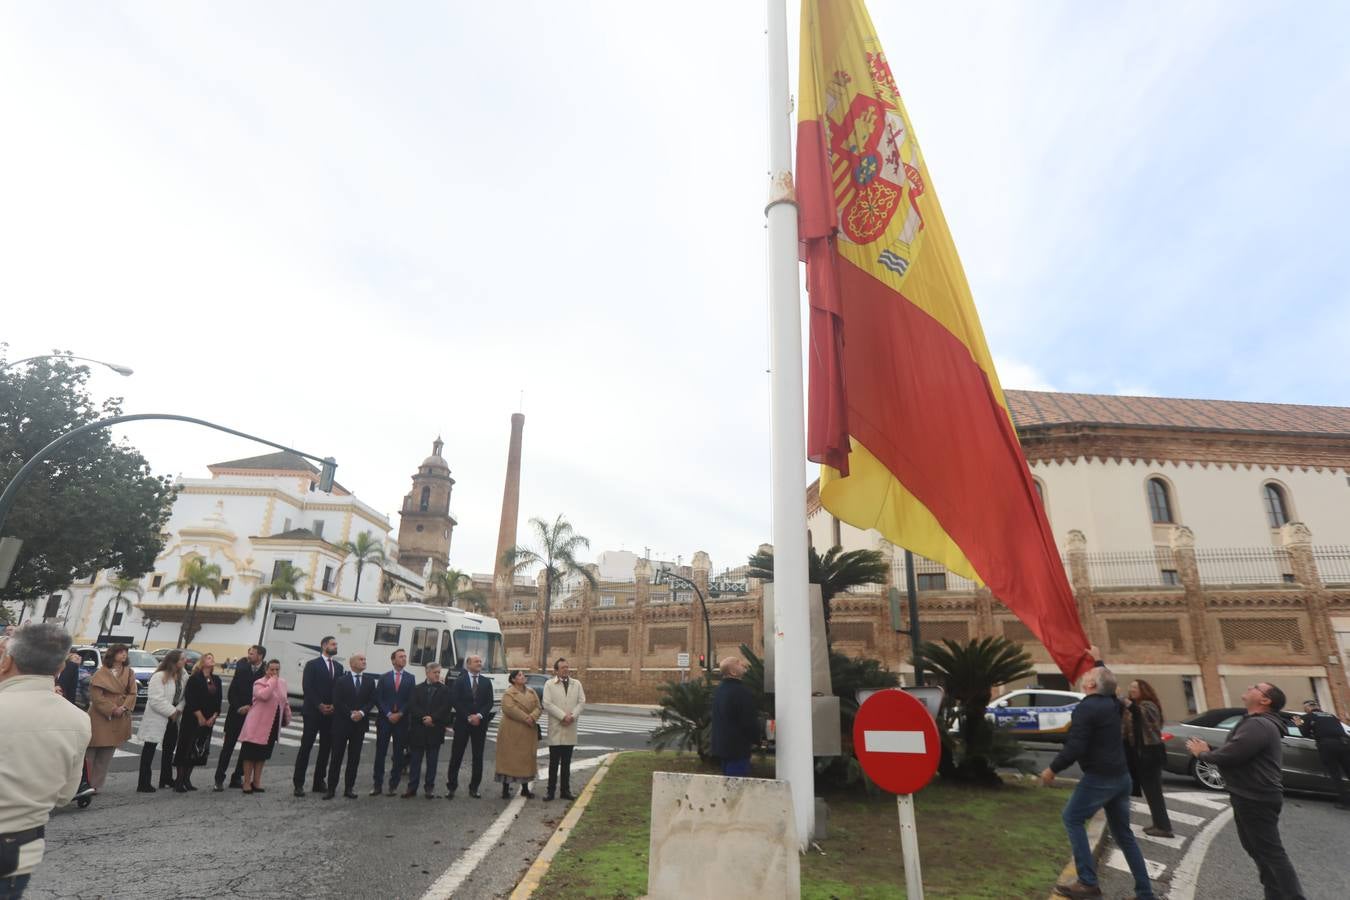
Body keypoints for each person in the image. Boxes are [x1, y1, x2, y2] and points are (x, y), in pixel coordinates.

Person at [1040, 662, 1156, 900]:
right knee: (1124, 835)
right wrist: (1098, 663)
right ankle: (1145, 893)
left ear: (1091, 684)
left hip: (1100, 778)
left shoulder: (1087, 708)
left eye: (1089, 675)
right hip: (1121, 777)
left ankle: (1087, 883)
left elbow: (1075, 745)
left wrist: (1053, 768)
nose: (1084, 676)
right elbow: (1110, 687)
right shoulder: (1113, 704)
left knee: (1071, 817)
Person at [1187, 683, 1306, 899]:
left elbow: (1231, 755)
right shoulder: (1256, 723)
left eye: (1256, 687)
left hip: (1256, 797)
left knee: (1270, 853)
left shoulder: (1259, 725)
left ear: (1265, 700)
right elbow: (1237, 752)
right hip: (1250, 795)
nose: (1249, 688)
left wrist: (1202, 754)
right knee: (1259, 851)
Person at [0, 624, 90, 899]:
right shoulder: (77, 719)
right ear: (60, 667)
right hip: (24, 841)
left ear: (7, 660)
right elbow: (64, 795)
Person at [293, 636, 343, 798]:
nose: (335, 646)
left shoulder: (339, 666)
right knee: (306, 746)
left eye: (336, 644)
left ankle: (319, 781)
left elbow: (339, 689)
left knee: (326, 748)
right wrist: (320, 705)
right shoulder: (312, 665)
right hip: (313, 712)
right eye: (333, 644)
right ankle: (298, 783)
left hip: (331, 714)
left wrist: (334, 705)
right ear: (323, 646)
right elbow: (307, 687)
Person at [1122, 679, 1172, 837]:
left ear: (1144, 690)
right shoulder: (1134, 707)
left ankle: (1164, 827)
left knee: (1154, 791)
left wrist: (1125, 702)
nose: (1131, 690)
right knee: (1151, 791)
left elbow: (1140, 714)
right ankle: (1159, 823)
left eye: (1135, 687)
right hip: (1141, 754)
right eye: (1130, 687)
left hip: (1151, 753)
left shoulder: (1149, 706)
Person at [84, 643, 137, 793]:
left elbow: (133, 693)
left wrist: (124, 707)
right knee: (91, 751)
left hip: (120, 715)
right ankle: (84, 783)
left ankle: (96, 785)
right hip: (100, 715)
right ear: (112, 654)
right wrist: (112, 709)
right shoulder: (101, 672)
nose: (124, 655)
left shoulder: (129, 672)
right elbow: (96, 696)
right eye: (120, 652)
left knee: (106, 754)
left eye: (125, 652)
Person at [324, 653, 377, 800]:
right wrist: (350, 713)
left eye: (365, 659)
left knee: (354, 758)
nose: (364, 661)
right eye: (361, 659)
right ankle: (331, 788)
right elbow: (337, 700)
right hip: (342, 724)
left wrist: (361, 712)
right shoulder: (342, 680)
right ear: (352, 663)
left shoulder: (369, 681)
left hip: (359, 725)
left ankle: (349, 788)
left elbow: (372, 700)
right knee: (336, 757)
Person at [215, 644, 265, 791]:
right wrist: (239, 707)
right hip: (236, 714)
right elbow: (232, 692)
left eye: (252, 653)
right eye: (249, 653)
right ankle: (219, 778)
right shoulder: (241, 668)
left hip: (253, 716)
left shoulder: (265, 672)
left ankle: (237, 776)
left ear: (260, 656)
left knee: (246, 750)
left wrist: (251, 707)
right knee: (227, 748)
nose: (249, 655)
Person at [137, 650, 186, 793]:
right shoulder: (159, 676)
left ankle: (166, 777)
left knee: (169, 749)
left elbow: (184, 696)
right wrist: (171, 712)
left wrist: (178, 710)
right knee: (150, 748)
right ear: (174, 661)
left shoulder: (183, 677)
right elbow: (155, 699)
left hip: (174, 717)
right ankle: (143, 782)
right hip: (158, 717)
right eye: (182, 659)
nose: (185, 661)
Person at [446, 653, 494, 799]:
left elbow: (489, 702)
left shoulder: (486, 682)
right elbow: (455, 700)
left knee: (478, 756)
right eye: (476, 661)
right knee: (456, 755)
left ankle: (474, 788)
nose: (479, 663)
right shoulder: (459, 681)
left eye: (480, 661)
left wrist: (479, 716)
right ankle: (451, 787)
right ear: (468, 664)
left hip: (480, 724)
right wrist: (468, 716)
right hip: (462, 723)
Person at [238, 660, 290, 794]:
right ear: (266, 670)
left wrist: (287, 716)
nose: (274, 672)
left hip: (271, 725)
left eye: (277, 670)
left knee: (262, 755)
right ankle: (246, 782)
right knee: (249, 755)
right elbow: (264, 695)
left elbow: (284, 701)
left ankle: (257, 781)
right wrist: (272, 681)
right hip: (256, 724)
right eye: (272, 669)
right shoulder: (259, 682)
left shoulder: (283, 683)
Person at [172, 652, 221, 792]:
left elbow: (218, 700)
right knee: (185, 748)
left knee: (197, 750)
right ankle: (179, 781)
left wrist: (213, 716)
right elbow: (191, 698)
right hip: (192, 719)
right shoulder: (195, 678)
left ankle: (187, 779)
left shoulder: (215, 679)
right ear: (202, 662)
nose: (211, 660)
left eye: (213, 658)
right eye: (208, 658)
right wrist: (199, 717)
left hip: (208, 720)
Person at [404, 662, 452, 799]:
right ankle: (411, 787)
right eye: (435, 672)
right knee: (415, 761)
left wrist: (433, 719)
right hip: (418, 729)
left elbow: (445, 708)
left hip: (435, 730)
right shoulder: (417, 688)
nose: (437, 675)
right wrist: (424, 718)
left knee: (432, 762)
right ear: (427, 673)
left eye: (439, 672)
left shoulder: (445, 690)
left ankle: (429, 788)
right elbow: (412, 706)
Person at [372, 648, 416, 797]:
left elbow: (411, 699)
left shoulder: (410, 678)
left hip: (402, 721)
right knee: (380, 753)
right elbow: (379, 698)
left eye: (405, 657)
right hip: (385, 720)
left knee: (398, 754)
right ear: (393, 660)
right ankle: (377, 784)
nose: (404, 659)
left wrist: (401, 713)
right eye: (401, 657)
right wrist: (389, 713)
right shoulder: (384, 678)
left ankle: (393, 785)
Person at [1292, 699, 1350, 810]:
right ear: (1318, 706)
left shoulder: (1308, 717)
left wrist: (1298, 723)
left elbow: (1304, 734)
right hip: (1344, 744)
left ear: (1307, 708)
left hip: (1327, 746)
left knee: (1335, 774)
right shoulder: (1331, 715)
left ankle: (1345, 802)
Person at [542, 657, 586, 802]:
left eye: (567, 667)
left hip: (570, 727)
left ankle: (565, 791)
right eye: (563, 668)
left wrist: (572, 716)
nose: (566, 670)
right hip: (557, 726)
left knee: (567, 763)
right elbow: (547, 703)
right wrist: (562, 716)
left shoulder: (576, 684)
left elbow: (581, 701)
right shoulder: (549, 684)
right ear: (556, 671)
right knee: (554, 763)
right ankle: (550, 791)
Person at [495, 669, 541, 799]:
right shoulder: (509, 693)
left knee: (525, 759)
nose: (523, 677)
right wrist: (526, 718)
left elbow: (539, 707)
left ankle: (525, 789)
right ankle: (505, 789)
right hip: (511, 730)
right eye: (520, 675)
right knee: (508, 759)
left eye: (523, 675)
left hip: (528, 730)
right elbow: (509, 708)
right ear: (513, 679)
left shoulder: (531, 692)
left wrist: (532, 717)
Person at [711, 656, 759, 777]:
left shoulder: (719, 690)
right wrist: (757, 739)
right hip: (738, 749)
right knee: (737, 788)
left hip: (723, 748)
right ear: (732, 672)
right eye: (738, 662)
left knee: (728, 786)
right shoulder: (741, 692)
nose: (743, 663)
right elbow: (748, 721)